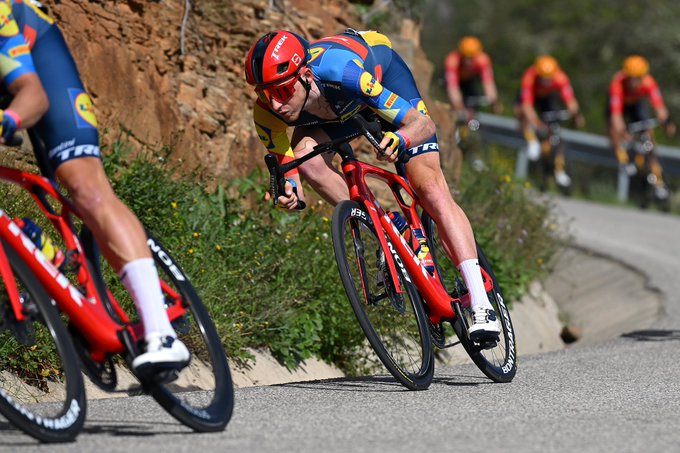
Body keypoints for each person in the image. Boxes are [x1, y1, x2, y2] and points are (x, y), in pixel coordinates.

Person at [245, 29, 501, 341]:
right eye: (265, 94)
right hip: (335, 113)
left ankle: (481, 303)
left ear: (307, 76)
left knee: (430, 190)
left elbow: (423, 125)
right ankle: (386, 225)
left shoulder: (344, 72)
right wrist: (291, 192)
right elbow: (289, 172)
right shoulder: (267, 113)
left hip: (382, 85)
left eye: (283, 91)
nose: (276, 104)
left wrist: (400, 139)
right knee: (306, 160)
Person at [0, 1, 189, 374]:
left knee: (84, 186)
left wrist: (10, 120)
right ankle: (41, 248)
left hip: (36, 65)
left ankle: (161, 333)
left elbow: (33, 96)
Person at [606, 55, 676, 199]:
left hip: (636, 106)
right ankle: (623, 161)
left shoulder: (649, 83)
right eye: (631, 79)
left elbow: (659, 107)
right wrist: (622, 131)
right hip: (620, 108)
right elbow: (616, 116)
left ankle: (658, 181)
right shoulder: (617, 84)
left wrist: (667, 123)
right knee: (615, 130)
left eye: (638, 78)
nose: (634, 83)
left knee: (649, 137)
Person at [514, 55, 585, 188]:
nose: (546, 81)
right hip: (532, 98)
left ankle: (558, 168)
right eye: (543, 78)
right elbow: (527, 106)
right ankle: (532, 141)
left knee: (555, 131)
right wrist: (536, 122)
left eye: (548, 79)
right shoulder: (530, 77)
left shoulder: (560, 78)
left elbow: (571, 101)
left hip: (547, 99)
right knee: (522, 114)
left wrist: (575, 114)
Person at [444, 35, 501, 119]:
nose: (468, 61)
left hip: (469, 81)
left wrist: (493, 102)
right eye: (465, 57)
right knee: (455, 106)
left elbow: (489, 83)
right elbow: (452, 87)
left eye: (471, 58)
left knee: (472, 106)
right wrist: (458, 104)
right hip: (455, 82)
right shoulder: (452, 61)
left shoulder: (483, 60)